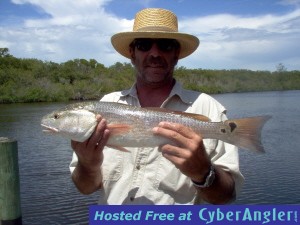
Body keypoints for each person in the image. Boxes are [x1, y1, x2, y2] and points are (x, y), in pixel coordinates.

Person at [70, 8, 244, 204]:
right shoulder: (105, 106)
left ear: (176, 53)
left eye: (165, 45)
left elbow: (226, 197)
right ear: (132, 53)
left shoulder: (208, 108)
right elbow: (85, 187)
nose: (154, 53)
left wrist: (204, 173)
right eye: (144, 45)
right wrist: (87, 164)